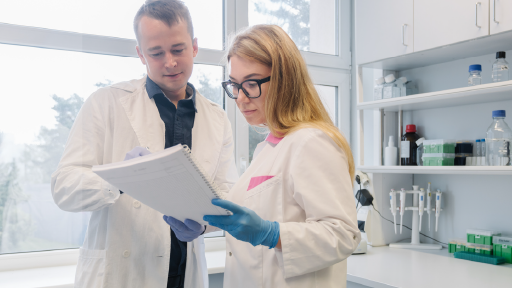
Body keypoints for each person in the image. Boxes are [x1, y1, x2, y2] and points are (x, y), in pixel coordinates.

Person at [51, 1, 237, 287]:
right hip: (122, 273)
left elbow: (226, 194)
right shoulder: (106, 103)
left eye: (178, 49)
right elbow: (64, 188)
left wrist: (203, 225)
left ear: (195, 46)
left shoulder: (217, 118)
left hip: (184, 273)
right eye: (156, 53)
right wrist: (121, 179)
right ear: (140, 54)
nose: (170, 62)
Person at [202, 25, 361, 288]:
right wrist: (201, 224)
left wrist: (272, 234)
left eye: (251, 84)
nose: (240, 98)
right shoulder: (269, 147)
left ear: (284, 80)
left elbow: (343, 234)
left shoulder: (311, 141)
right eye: (234, 85)